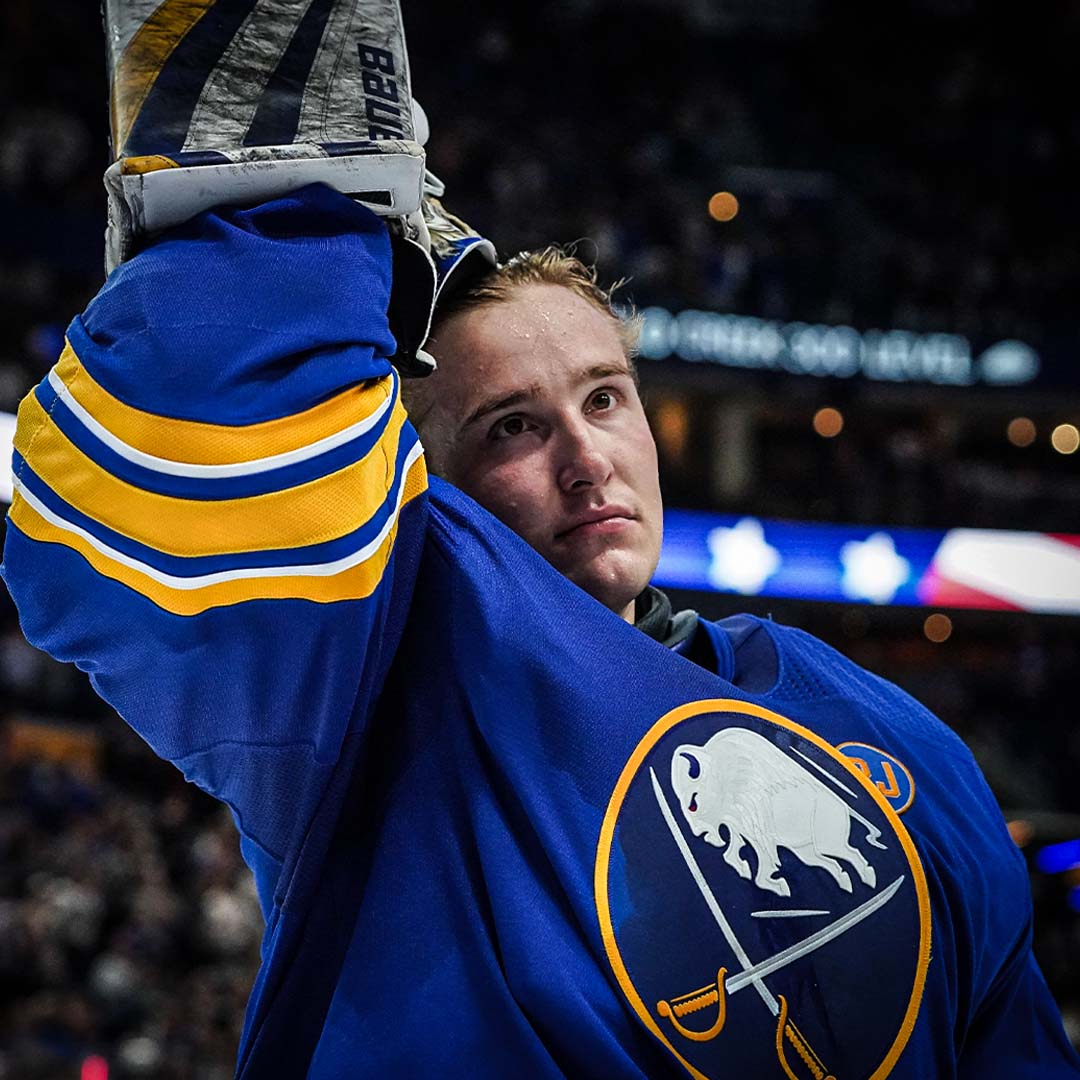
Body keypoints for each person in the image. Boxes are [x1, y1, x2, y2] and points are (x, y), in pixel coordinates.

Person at [4, 181, 1079, 1080]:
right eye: (513, 427)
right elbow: (102, 535)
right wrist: (305, 218)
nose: (587, 461)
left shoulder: (878, 724)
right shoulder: (365, 700)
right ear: (426, 486)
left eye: (605, 400)